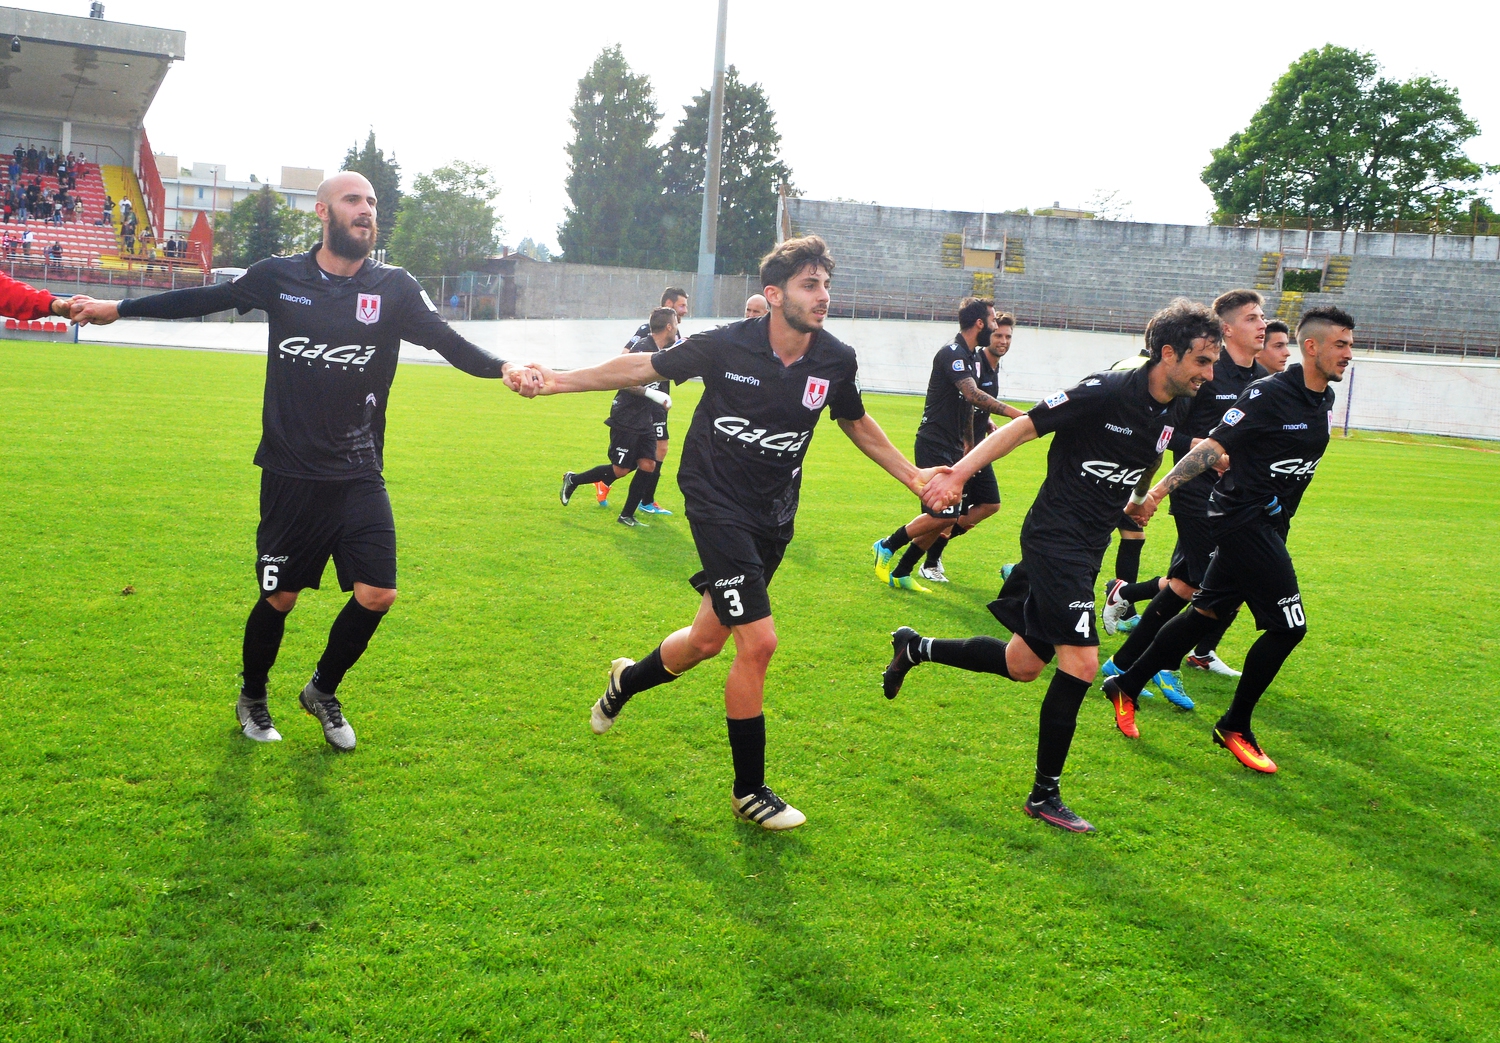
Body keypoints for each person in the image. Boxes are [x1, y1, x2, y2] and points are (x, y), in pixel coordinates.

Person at [70, 172, 535, 751]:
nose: (365, 210)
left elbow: (447, 341)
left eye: (371, 201)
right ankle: (253, 697)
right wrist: (121, 307)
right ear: (322, 212)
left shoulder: (393, 288)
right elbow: (205, 299)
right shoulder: (279, 275)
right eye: (353, 201)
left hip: (360, 471)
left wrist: (503, 366)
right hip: (290, 474)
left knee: (377, 593)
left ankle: (321, 689)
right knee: (280, 597)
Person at [513, 235, 942, 831]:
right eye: (809, 285)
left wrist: (916, 478)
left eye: (825, 285)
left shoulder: (835, 359)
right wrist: (556, 380)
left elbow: (855, 422)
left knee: (705, 641)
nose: (823, 297)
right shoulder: (724, 346)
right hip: (715, 504)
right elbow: (641, 367)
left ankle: (623, 682)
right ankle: (750, 791)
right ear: (774, 295)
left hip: (774, 516)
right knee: (758, 643)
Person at [882, 298, 1221, 833]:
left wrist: (1143, 496)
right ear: (1168, 353)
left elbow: (1155, 448)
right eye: (1202, 360)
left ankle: (915, 647)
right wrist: (957, 477)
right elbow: (1022, 428)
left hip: (1087, 544)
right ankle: (1045, 795)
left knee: (1023, 664)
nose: (1209, 372)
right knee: (1082, 663)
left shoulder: (1173, 404)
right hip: (1053, 538)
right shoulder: (1105, 389)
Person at [1100, 306, 1354, 771]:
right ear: (1312, 346)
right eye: (1340, 344)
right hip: (1242, 518)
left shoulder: (1323, 400)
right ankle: (1235, 725)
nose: (1349, 353)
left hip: (1273, 522)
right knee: (1288, 627)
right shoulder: (1269, 393)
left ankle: (1127, 683)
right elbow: (1213, 446)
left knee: (1204, 611)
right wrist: (1154, 493)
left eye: (1350, 344)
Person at [1100, 289, 1269, 700]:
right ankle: (1162, 664)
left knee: (1184, 585)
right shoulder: (1204, 372)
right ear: (1226, 328)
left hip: (1234, 497)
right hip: (1195, 493)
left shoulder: (1257, 379)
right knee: (1208, 589)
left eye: (1263, 316)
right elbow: (1166, 430)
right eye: (1252, 318)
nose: (1262, 324)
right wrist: (1203, 449)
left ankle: (1124, 658)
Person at [872, 298, 1024, 590]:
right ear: (979, 323)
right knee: (944, 514)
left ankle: (902, 572)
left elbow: (967, 407)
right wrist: (1018, 415)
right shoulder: (952, 353)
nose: (995, 329)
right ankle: (887, 545)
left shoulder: (969, 356)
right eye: (993, 323)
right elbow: (972, 395)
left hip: (953, 444)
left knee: (945, 517)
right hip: (934, 441)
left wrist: (968, 442)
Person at [916, 311, 1025, 582]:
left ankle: (934, 553)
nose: (1002, 340)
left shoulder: (993, 365)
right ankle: (925, 561)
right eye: (998, 334)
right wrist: (969, 442)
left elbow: (977, 406)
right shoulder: (973, 361)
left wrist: (986, 423)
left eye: (1008, 336)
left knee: (990, 503)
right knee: (946, 512)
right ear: (985, 331)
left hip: (977, 449)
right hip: (965, 448)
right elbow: (970, 399)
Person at [559, 307, 678, 526]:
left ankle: (626, 515)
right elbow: (623, 380)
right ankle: (573, 479)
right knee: (620, 470)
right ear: (669, 326)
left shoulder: (665, 348)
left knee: (648, 464)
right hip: (626, 415)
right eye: (676, 323)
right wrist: (653, 393)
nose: (678, 327)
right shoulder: (643, 348)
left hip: (645, 417)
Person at [604, 287, 691, 515]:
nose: (685, 310)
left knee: (655, 451)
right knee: (653, 451)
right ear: (670, 305)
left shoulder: (677, 334)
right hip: (643, 400)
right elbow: (624, 360)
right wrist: (647, 387)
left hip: (659, 398)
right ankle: (642, 498)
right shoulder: (646, 332)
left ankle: (634, 496)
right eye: (682, 305)